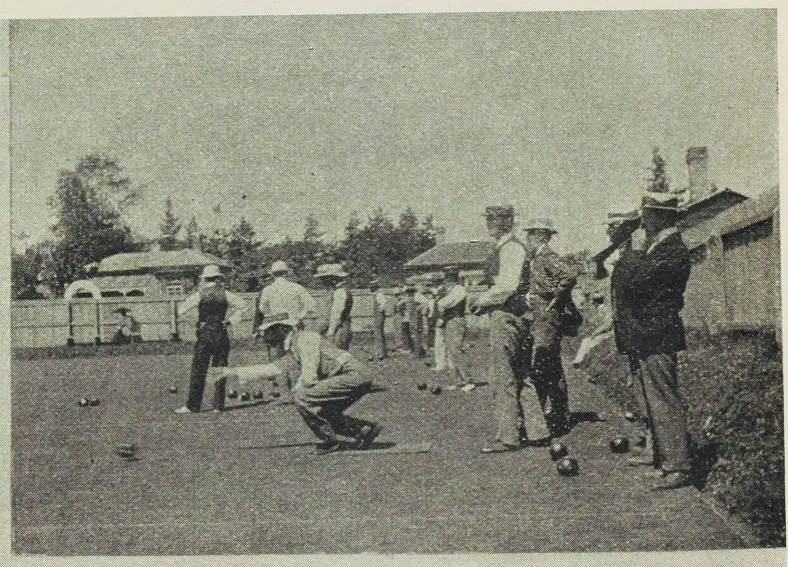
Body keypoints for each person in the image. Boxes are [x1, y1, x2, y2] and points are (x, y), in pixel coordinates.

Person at [214, 313, 383, 455]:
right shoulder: (295, 345)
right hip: (352, 377)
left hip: (353, 375)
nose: (265, 338)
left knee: (303, 397)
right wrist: (230, 372)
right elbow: (273, 368)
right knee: (321, 410)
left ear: (281, 329)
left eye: (268, 332)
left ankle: (330, 442)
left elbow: (309, 376)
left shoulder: (305, 339)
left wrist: (296, 392)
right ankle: (364, 431)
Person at [613, 191, 693, 490]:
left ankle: (678, 466)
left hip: (658, 335)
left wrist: (632, 254)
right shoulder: (660, 247)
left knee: (663, 400)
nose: (642, 221)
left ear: (660, 217)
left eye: (646, 215)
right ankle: (666, 461)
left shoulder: (671, 250)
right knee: (655, 400)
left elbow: (635, 285)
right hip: (650, 334)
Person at [469, 205, 550, 453]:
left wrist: (481, 301)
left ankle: (509, 437)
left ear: (505, 223)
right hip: (515, 316)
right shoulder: (507, 247)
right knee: (522, 375)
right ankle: (538, 432)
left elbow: (507, 287)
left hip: (507, 318)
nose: (490, 224)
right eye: (490, 219)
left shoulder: (512, 248)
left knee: (504, 377)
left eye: (494, 219)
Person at [523, 217, 579, 436]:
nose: (527, 239)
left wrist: (555, 299)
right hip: (543, 318)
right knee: (552, 366)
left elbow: (568, 275)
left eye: (530, 235)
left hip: (547, 319)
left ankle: (550, 416)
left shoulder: (547, 256)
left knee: (543, 364)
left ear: (540, 236)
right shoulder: (538, 257)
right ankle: (558, 414)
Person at [175, 264, 247, 414]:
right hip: (221, 332)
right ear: (218, 278)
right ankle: (218, 406)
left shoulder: (199, 294)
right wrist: (230, 321)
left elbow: (181, 311)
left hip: (205, 333)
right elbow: (244, 306)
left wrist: (195, 322)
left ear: (204, 279)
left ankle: (192, 405)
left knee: (198, 370)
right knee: (220, 369)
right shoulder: (226, 294)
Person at [255, 260, 315, 353]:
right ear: (286, 273)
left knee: (275, 358)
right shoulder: (297, 287)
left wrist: (272, 315)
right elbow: (310, 305)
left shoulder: (267, 290)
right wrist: (299, 316)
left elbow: (262, 309)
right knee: (294, 355)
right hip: (293, 325)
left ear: (273, 274)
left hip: (273, 326)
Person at [437, 266, 471, 390]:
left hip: (456, 321)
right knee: (450, 351)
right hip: (448, 321)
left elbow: (445, 303)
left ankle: (468, 380)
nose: (445, 280)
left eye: (447, 277)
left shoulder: (459, 290)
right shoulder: (450, 290)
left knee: (456, 350)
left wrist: (439, 298)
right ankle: (456, 380)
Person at [315, 263, 354, 350]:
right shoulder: (340, 291)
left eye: (324, 278)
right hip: (341, 329)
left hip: (339, 331)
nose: (322, 281)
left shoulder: (340, 292)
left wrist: (330, 333)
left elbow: (336, 314)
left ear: (332, 278)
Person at [571, 290, 613, 367]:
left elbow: (608, 324)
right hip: (603, 333)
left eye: (593, 301)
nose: (592, 303)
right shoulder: (599, 310)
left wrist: (596, 332)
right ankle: (579, 360)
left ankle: (583, 362)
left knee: (590, 345)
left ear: (596, 302)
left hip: (608, 333)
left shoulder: (604, 309)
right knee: (585, 341)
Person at [369, 280, 388, 361]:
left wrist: (380, 311)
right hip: (378, 316)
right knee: (379, 334)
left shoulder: (379, 295)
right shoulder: (376, 295)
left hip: (379, 316)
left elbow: (384, 302)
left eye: (372, 287)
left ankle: (380, 353)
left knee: (378, 335)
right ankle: (383, 352)